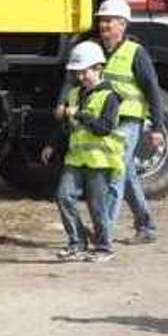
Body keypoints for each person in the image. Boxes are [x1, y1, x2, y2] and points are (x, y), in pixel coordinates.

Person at [56, 0, 164, 243]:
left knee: (115, 172)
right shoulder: (92, 49)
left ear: (123, 24)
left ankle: (105, 233)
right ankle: (146, 226)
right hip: (102, 119)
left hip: (128, 119)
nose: (104, 25)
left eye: (109, 20)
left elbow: (152, 88)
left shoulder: (136, 53)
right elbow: (71, 79)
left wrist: (157, 126)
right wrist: (62, 103)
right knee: (125, 173)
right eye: (102, 20)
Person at [42, 41, 124, 263]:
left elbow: (104, 128)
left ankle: (104, 248)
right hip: (76, 159)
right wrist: (52, 144)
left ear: (98, 68)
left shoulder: (110, 96)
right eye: (77, 73)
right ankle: (77, 243)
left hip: (101, 161)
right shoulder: (75, 94)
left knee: (97, 207)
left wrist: (81, 115)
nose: (81, 77)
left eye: (85, 72)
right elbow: (66, 126)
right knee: (63, 196)